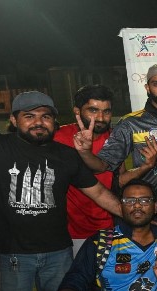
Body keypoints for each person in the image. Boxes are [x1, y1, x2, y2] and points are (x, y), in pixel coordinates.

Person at [0, 91, 123, 291]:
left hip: (58, 253)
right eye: (29, 116)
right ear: (13, 120)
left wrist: (135, 215)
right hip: (14, 254)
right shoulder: (1, 148)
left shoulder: (65, 156)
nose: (38, 123)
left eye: (46, 117)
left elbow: (98, 193)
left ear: (55, 121)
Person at [84, 63, 157, 234]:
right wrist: (84, 152)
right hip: (144, 212)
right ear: (147, 88)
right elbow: (101, 166)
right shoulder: (131, 123)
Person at [56, 179, 157, 291]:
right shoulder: (101, 241)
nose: (137, 205)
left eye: (145, 200)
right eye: (129, 201)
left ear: (155, 207)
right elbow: (75, 279)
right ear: (120, 207)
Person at [53, 84, 116, 255]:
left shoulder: (115, 139)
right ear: (77, 111)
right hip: (69, 232)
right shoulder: (58, 137)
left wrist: (145, 167)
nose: (100, 118)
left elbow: (119, 178)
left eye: (106, 111)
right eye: (93, 111)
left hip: (107, 228)